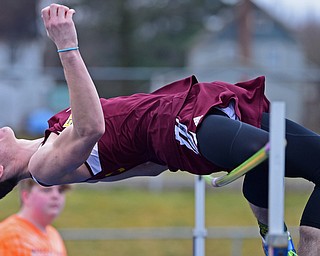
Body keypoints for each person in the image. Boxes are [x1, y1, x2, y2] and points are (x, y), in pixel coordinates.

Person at [0, 3, 319, 255]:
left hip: (191, 107)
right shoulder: (43, 168)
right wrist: (67, 45)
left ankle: (306, 240)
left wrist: (164, 154)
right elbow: (90, 128)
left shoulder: (49, 140)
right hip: (175, 128)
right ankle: (270, 229)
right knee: (269, 151)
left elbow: (148, 168)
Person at [0, 179, 70, 255]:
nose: (56, 195)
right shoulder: (7, 234)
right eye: (46, 190)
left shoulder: (54, 235)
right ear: (26, 196)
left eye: (60, 191)